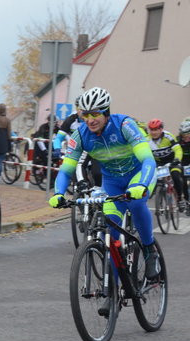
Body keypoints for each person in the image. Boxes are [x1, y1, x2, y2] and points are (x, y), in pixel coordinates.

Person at [49, 87, 160, 293]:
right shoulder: (80, 134)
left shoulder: (125, 125)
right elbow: (66, 170)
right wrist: (58, 193)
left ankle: (149, 250)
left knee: (136, 204)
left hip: (138, 174)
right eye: (86, 114)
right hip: (112, 182)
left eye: (96, 113)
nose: (90, 119)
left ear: (106, 112)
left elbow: (147, 159)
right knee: (112, 234)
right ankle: (113, 292)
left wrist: (141, 185)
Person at [145, 118, 187, 210]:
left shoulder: (169, 136)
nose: (153, 132)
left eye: (156, 129)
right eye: (151, 130)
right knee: (151, 175)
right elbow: (145, 154)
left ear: (161, 129)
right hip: (158, 162)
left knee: (176, 176)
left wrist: (177, 159)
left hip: (172, 161)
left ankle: (180, 199)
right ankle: (156, 193)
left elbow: (178, 149)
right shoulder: (146, 140)